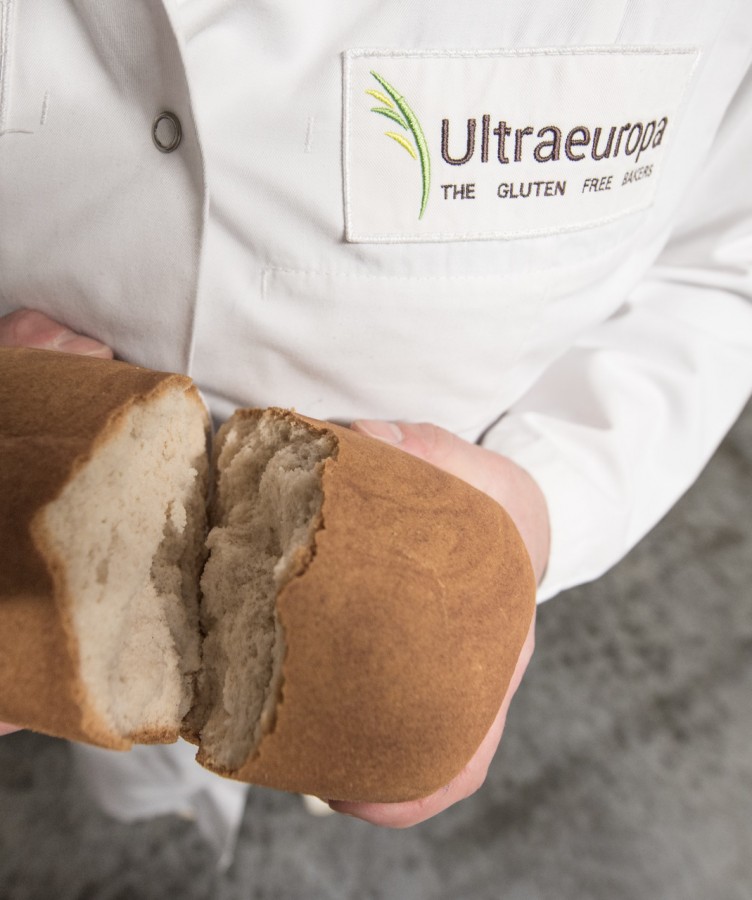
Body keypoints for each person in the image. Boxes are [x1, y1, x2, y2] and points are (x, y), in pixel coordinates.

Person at [1, 0, 751, 846]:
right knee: (101, 749)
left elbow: (722, 265)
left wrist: (548, 498)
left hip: (400, 600)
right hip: (18, 498)